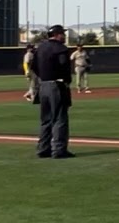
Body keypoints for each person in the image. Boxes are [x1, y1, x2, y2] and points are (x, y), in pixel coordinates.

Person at [30, 25, 74, 159]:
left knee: (46, 119)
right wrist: (66, 80)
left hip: (43, 86)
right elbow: (64, 66)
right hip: (57, 85)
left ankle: (43, 149)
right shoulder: (61, 48)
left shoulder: (40, 47)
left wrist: (44, 77)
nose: (64, 36)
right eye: (62, 34)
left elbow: (34, 67)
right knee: (59, 118)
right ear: (56, 35)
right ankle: (59, 150)